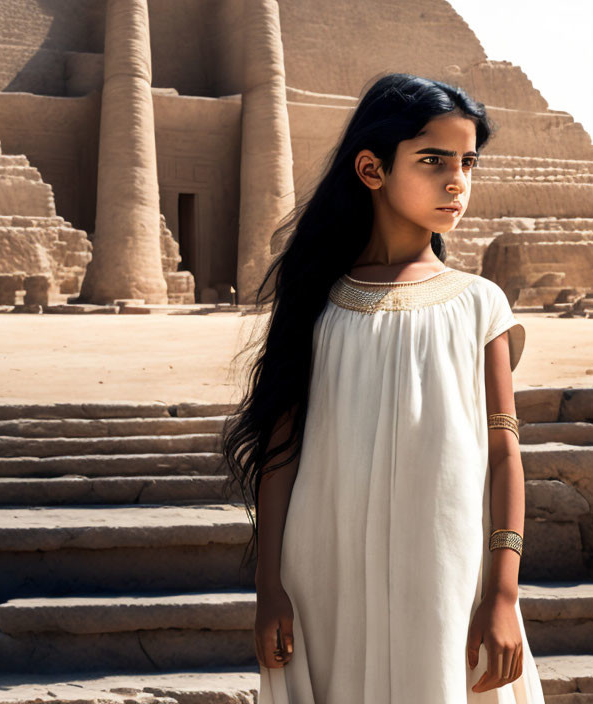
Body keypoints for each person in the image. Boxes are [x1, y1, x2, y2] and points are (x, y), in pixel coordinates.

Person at [221, 72, 546, 702]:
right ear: (371, 169)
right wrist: (269, 589)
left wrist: (503, 593)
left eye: (468, 162)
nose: (457, 181)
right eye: (433, 161)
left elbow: (505, 454)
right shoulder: (316, 301)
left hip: (445, 571)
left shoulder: (481, 304)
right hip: (326, 572)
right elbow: (280, 452)